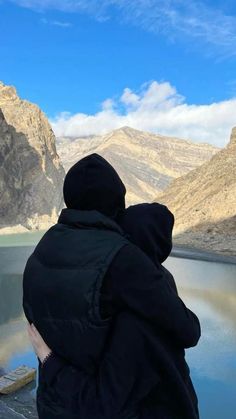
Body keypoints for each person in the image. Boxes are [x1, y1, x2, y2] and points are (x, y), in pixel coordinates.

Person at [23, 154, 200, 418]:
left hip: (51, 403)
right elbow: (186, 330)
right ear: (117, 202)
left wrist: (47, 359)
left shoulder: (41, 250)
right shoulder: (122, 259)